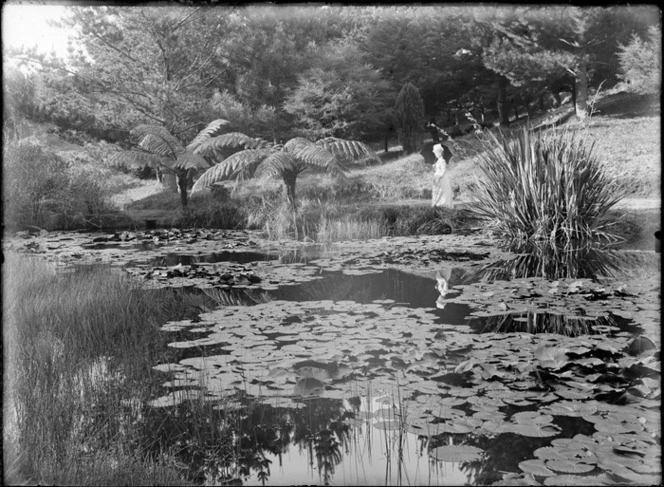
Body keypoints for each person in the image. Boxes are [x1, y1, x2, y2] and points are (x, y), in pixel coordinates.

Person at [431, 143, 454, 208]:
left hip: (442, 178)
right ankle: (437, 205)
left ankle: (444, 205)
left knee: (443, 192)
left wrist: (438, 176)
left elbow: (443, 171)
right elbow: (438, 170)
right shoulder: (438, 161)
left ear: (440, 152)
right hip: (437, 178)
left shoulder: (442, 161)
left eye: (436, 152)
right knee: (437, 192)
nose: (435, 154)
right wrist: (435, 167)